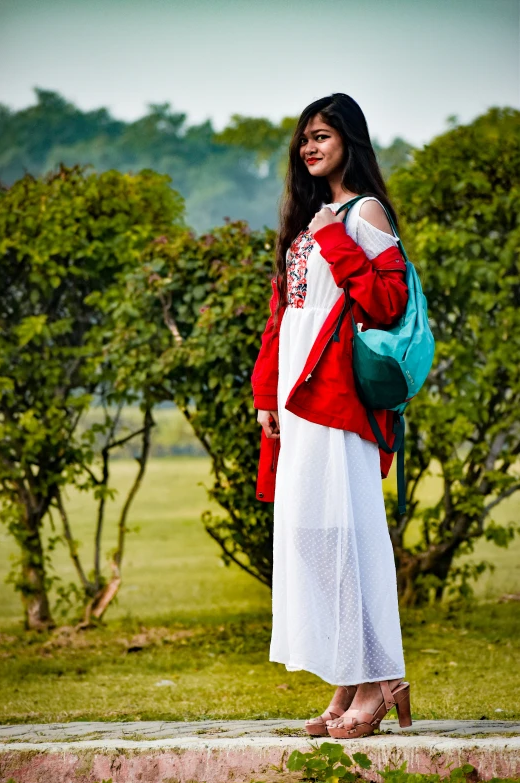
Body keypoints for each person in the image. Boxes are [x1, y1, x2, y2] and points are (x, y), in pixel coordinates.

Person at [250, 93, 412, 739]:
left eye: (322, 136)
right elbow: (282, 314)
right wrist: (266, 393)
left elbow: (388, 300)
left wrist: (338, 243)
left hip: (336, 394)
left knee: (345, 531)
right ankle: (352, 674)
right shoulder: (310, 215)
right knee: (310, 533)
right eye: (304, 140)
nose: (310, 148)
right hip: (297, 391)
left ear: (349, 139)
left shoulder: (362, 211)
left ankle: (376, 679)